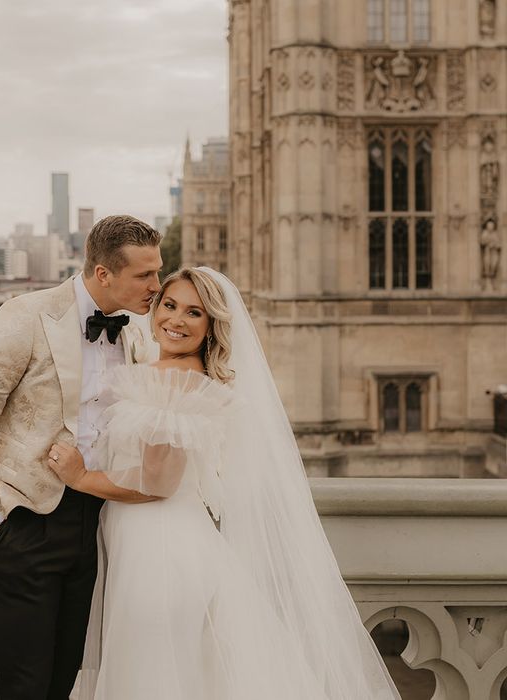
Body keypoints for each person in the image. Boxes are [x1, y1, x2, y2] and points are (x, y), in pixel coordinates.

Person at [47, 267, 401, 699]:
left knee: (149, 678)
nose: (175, 320)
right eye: (170, 305)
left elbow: (156, 483)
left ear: (211, 325)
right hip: (169, 542)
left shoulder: (172, 381)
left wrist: (80, 476)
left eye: (193, 313)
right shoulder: (183, 374)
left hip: (157, 551)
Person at [0, 214, 162, 699]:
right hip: (25, 524)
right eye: (145, 275)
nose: (156, 286)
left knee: (62, 682)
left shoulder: (136, 334)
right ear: (104, 274)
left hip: (95, 521)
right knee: (24, 685)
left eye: (157, 272)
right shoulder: (26, 314)